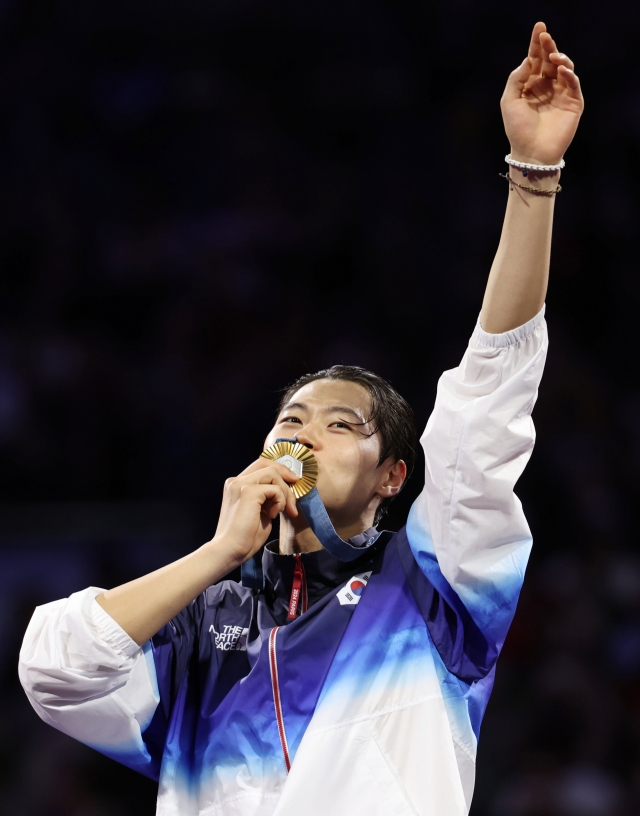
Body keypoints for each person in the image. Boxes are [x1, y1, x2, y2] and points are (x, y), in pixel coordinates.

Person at [18, 22, 583, 816]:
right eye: (291, 416)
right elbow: (55, 668)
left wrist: (534, 175)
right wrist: (218, 554)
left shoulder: (431, 586)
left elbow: (487, 398)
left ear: (394, 477)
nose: (305, 432)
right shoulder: (198, 622)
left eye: (343, 424)